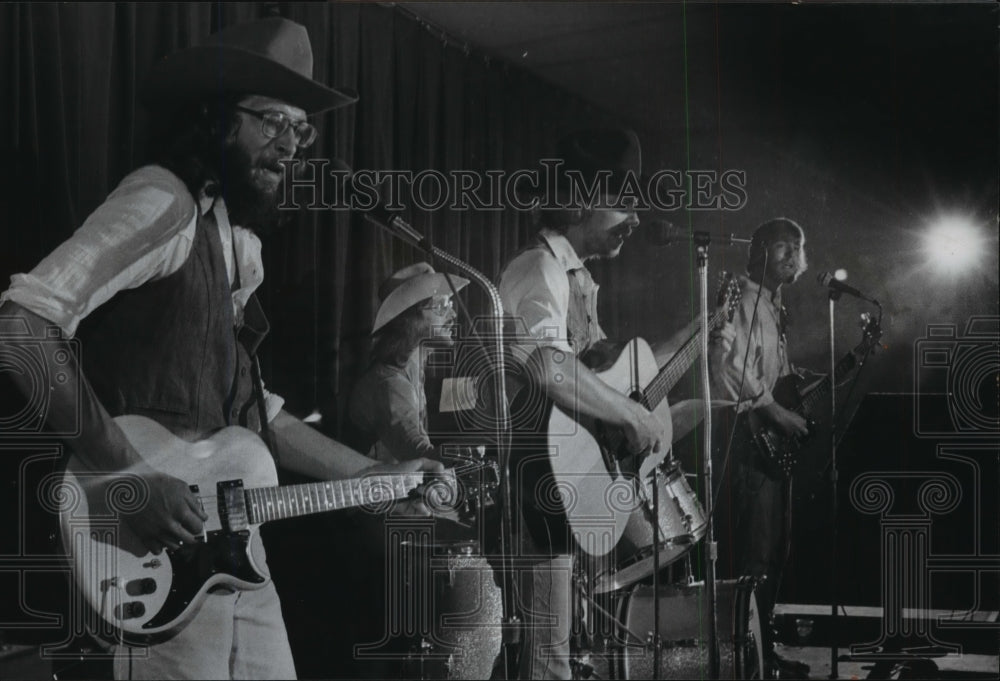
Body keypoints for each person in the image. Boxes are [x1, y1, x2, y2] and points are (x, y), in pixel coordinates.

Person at [0, 17, 440, 680]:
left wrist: (379, 480)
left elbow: (254, 415)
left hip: (232, 546)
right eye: (271, 120)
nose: (290, 144)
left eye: (300, 128)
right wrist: (126, 476)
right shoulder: (162, 202)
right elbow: (22, 326)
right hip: (149, 550)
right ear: (213, 118)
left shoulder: (233, 243)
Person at [495, 128, 727, 679]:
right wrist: (632, 415)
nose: (637, 218)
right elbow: (549, 366)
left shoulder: (576, 276)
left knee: (567, 645)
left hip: (567, 479)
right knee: (548, 653)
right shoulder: (540, 268)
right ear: (577, 201)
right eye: (623, 202)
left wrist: (700, 331)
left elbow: (612, 376)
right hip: (534, 481)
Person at [708, 217, 814, 680]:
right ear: (759, 252)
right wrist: (776, 412)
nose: (792, 256)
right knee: (755, 553)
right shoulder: (747, 298)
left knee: (773, 551)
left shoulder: (774, 306)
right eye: (782, 247)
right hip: (750, 440)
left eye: (798, 247)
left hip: (768, 444)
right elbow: (732, 368)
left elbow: (766, 371)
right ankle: (748, 659)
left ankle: (763, 653)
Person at [350, 262, 470, 464]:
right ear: (411, 320)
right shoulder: (391, 384)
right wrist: (475, 447)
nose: (453, 315)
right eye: (441, 306)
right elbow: (418, 457)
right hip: (383, 493)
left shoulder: (412, 370)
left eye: (450, 305)